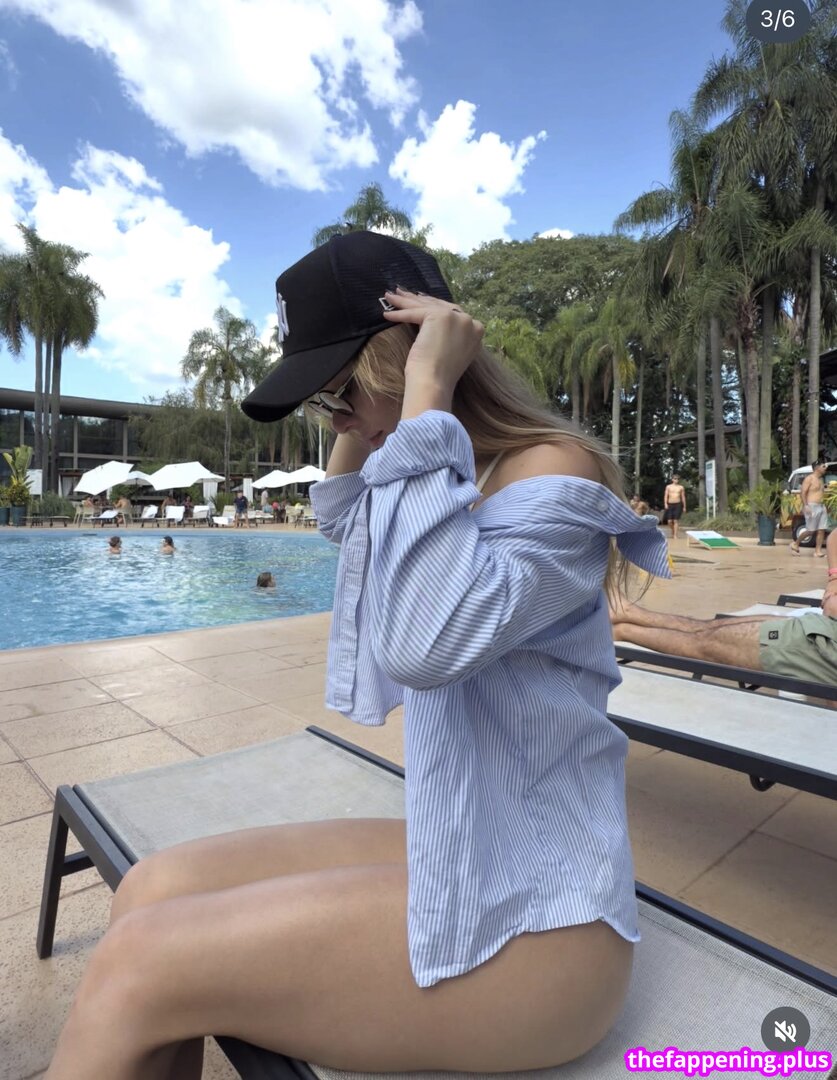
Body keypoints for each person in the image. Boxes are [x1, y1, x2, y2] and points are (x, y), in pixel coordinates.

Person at [45, 231, 669, 1078]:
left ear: (409, 358)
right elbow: (340, 514)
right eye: (320, 405)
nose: (335, 421)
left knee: (138, 965)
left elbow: (426, 641)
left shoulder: (549, 472)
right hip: (467, 836)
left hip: (546, 917)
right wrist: (372, 409)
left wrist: (424, 389)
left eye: (338, 393)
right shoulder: (439, 468)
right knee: (153, 887)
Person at [611, 528, 837, 681]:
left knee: (704, 643)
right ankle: (628, 614)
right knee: (708, 629)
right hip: (823, 632)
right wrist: (834, 577)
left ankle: (620, 630)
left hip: (826, 645)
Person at [790, 459, 829, 557]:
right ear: (817, 467)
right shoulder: (809, 478)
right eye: (823, 466)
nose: (825, 468)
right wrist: (806, 505)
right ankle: (796, 544)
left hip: (821, 506)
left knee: (821, 529)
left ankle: (818, 551)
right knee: (810, 531)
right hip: (811, 506)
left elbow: (821, 494)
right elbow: (803, 492)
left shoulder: (821, 480)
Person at [662, 473, 686, 540]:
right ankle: (673, 530)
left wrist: (684, 506)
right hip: (670, 504)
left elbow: (683, 497)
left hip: (678, 504)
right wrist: (665, 504)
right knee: (669, 521)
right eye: (675, 479)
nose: (676, 480)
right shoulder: (668, 487)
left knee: (675, 521)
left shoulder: (681, 487)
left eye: (678, 479)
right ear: (672, 479)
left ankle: (675, 535)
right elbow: (666, 496)